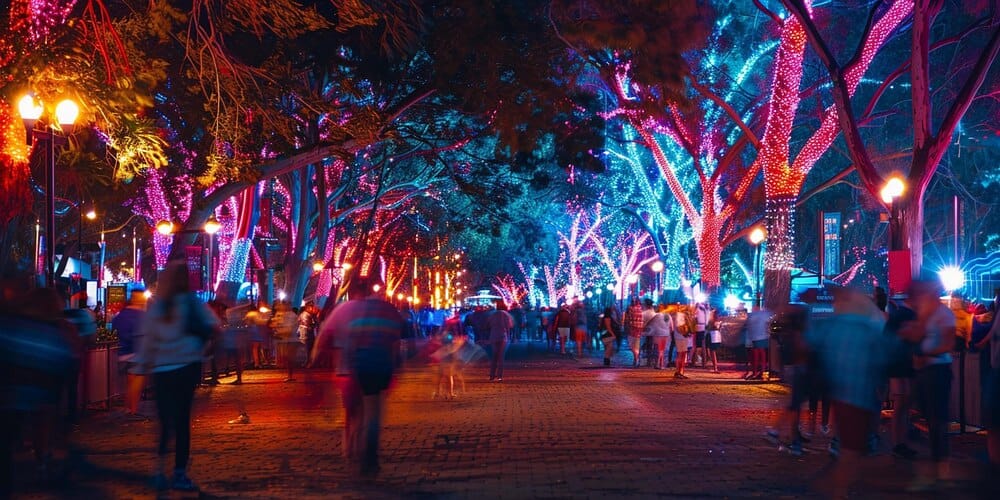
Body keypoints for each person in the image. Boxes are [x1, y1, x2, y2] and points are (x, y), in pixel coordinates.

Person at [132, 260, 220, 492]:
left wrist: (140, 369)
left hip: (162, 369)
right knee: (182, 422)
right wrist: (205, 351)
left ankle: (159, 469)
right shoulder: (193, 303)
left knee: (164, 422)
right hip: (187, 367)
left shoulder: (157, 307)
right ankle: (179, 473)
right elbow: (215, 327)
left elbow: (148, 340)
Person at [312, 274, 406, 477]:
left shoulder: (354, 311)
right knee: (372, 412)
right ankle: (367, 454)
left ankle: (352, 448)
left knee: (355, 412)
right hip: (381, 365)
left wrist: (314, 362)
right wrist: (397, 365)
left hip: (357, 367)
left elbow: (338, 339)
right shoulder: (387, 311)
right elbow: (397, 340)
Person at [807, 286, 891, 499]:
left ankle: (836, 486)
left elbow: (811, 345)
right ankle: (836, 488)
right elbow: (883, 358)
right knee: (853, 451)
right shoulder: (868, 328)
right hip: (860, 392)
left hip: (841, 390)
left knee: (851, 449)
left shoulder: (834, 326)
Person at [902, 280, 956, 490]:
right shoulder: (925, 311)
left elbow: (948, 344)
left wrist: (926, 352)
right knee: (924, 416)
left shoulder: (944, 314)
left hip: (937, 370)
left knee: (936, 420)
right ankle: (935, 468)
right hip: (924, 370)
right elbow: (916, 335)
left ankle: (940, 470)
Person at [765, 303, 811, 455]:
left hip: (793, 369)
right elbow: (801, 353)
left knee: (795, 404)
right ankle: (779, 431)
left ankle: (790, 435)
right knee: (794, 404)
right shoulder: (798, 335)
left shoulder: (788, 334)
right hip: (798, 369)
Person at [113, 290, 148, 415]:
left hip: (121, 353)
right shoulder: (142, 316)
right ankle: (132, 409)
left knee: (130, 382)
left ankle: (129, 408)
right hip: (137, 353)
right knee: (137, 381)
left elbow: (114, 329)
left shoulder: (120, 315)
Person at [272, 302, 301, 382]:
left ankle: (290, 376)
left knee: (290, 358)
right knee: (288, 359)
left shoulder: (290, 315)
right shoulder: (287, 315)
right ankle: (290, 376)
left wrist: (279, 333)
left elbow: (289, 329)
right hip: (288, 340)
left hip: (291, 340)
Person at [743, 306, 774, 380]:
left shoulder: (752, 316)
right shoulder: (764, 314)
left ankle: (757, 372)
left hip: (756, 337)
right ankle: (760, 372)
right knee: (760, 354)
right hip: (762, 337)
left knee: (756, 354)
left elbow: (747, 325)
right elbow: (770, 320)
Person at [487, 301, 514, 381]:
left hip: (493, 336)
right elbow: (509, 326)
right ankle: (499, 376)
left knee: (494, 356)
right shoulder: (506, 315)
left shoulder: (492, 315)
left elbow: (487, 325)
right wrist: (509, 336)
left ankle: (492, 375)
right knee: (501, 357)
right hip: (503, 336)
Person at [645, 303, 673, 371]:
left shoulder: (657, 316)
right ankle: (662, 364)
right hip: (665, 335)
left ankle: (657, 364)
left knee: (658, 349)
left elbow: (649, 324)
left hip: (657, 334)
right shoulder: (668, 316)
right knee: (663, 350)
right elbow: (672, 328)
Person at [670, 304, 690, 378]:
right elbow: (678, 327)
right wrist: (685, 333)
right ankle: (678, 372)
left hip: (682, 336)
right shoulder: (679, 315)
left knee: (683, 353)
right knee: (680, 354)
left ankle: (681, 372)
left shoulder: (682, 315)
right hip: (680, 337)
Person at [692, 300, 711, 367]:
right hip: (701, 328)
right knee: (700, 346)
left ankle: (701, 362)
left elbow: (694, 317)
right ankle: (698, 362)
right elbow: (695, 317)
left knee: (702, 346)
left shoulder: (706, 310)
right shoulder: (702, 310)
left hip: (703, 328)